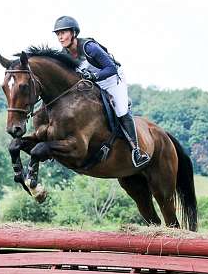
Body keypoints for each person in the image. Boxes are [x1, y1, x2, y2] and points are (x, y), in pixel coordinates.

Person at [53, 15, 150, 168]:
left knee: (121, 111)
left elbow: (110, 67)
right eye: (58, 34)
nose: (60, 37)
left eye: (63, 33)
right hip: (92, 84)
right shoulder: (64, 54)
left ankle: (136, 150)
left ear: (73, 33)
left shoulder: (89, 47)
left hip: (112, 80)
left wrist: (93, 76)